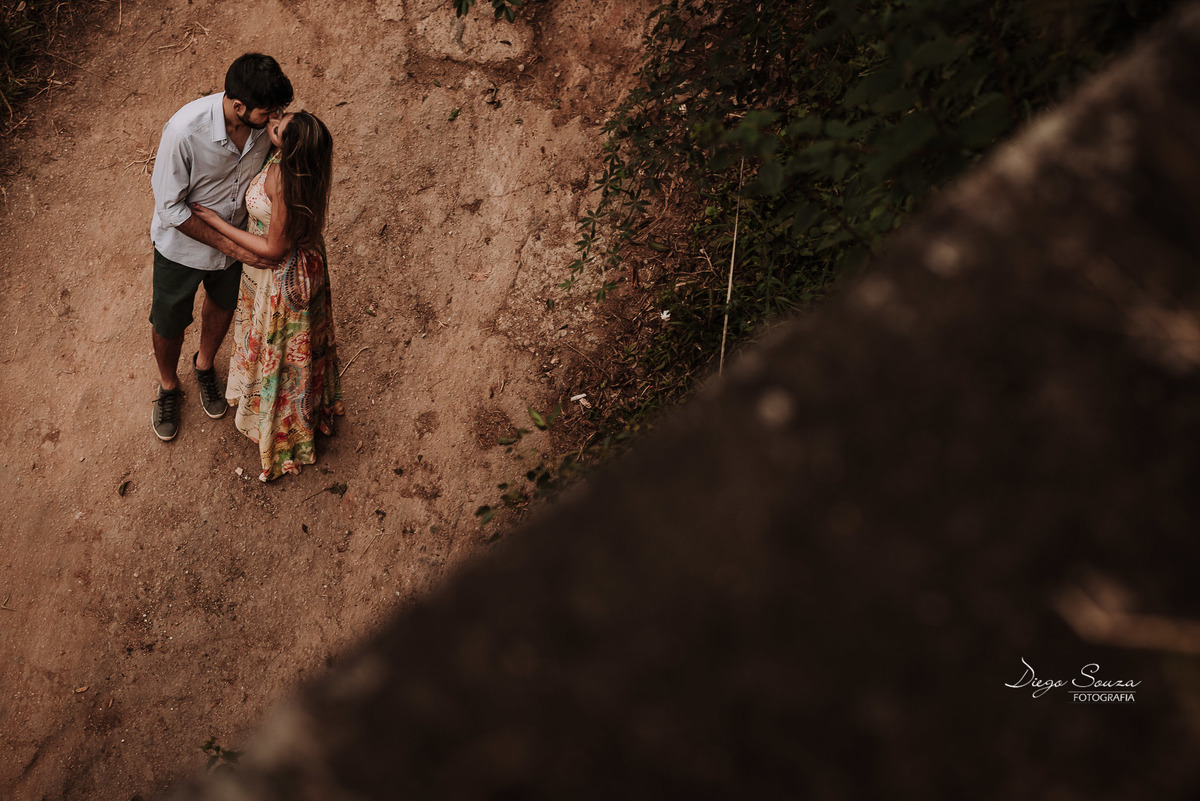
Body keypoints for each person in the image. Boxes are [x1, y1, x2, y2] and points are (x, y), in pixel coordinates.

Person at [191, 111, 345, 481]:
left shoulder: (284, 181)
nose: (273, 121)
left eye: (279, 126)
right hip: (300, 264)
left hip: (280, 274)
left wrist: (217, 224)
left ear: (289, 149)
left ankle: (282, 431)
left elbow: (274, 249)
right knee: (297, 351)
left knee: (280, 355)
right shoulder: (301, 164)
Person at [148, 53, 293, 441]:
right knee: (168, 321)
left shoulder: (267, 125)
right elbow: (169, 208)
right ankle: (167, 387)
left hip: (238, 241)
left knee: (223, 306)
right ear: (238, 105)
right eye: (269, 111)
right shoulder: (184, 132)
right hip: (181, 249)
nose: (275, 116)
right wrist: (231, 246)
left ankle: (205, 365)